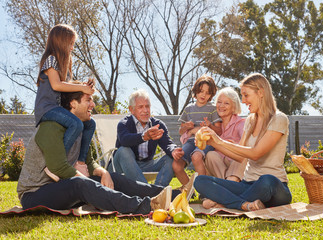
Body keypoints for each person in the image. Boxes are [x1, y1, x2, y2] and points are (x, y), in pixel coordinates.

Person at [17, 86, 197, 214]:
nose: (93, 105)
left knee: (115, 178)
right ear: (72, 103)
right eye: (88, 100)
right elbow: (58, 167)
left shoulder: (81, 128)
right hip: (35, 194)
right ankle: (146, 206)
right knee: (83, 183)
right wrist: (91, 182)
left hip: (63, 188)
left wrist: (103, 173)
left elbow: (89, 162)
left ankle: (174, 195)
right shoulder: (52, 126)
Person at [194, 73, 292, 211]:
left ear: (261, 93)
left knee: (266, 180)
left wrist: (220, 141)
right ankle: (244, 204)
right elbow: (240, 156)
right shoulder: (250, 121)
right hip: (247, 184)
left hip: (274, 187)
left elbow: (256, 154)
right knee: (200, 181)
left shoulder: (278, 119)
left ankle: (225, 203)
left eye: (246, 95)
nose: (244, 101)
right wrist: (212, 143)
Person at [34, 24, 95, 177]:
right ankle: (57, 165)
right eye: (71, 43)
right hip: (47, 108)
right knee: (75, 123)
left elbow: (68, 86)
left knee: (90, 124)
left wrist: (82, 85)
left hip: (58, 108)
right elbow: (56, 85)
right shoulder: (51, 60)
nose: (72, 48)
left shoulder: (64, 64)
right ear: (61, 42)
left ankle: (80, 162)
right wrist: (82, 89)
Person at [111, 89, 185, 187]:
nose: (145, 110)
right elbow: (124, 140)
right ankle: (149, 192)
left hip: (147, 165)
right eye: (140, 107)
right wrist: (144, 137)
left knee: (170, 157)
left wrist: (173, 150)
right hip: (123, 165)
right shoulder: (124, 123)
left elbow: (167, 143)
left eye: (147, 106)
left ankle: (158, 191)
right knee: (124, 150)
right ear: (131, 109)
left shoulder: (158, 124)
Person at [173, 74, 222, 186]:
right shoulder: (188, 109)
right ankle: (189, 191)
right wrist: (186, 127)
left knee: (196, 156)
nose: (203, 95)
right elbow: (181, 131)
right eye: (201, 91)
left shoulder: (213, 109)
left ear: (211, 94)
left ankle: (203, 191)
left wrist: (210, 126)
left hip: (207, 141)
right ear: (196, 91)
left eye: (207, 92)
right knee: (176, 165)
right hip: (190, 141)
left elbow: (219, 131)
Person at [205, 87, 246, 182]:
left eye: (226, 103)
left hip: (236, 165)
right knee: (210, 155)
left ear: (234, 107)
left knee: (241, 156)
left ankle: (228, 185)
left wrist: (232, 144)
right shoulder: (214, 125)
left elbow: (246, 145)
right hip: (220, 167)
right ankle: (228, 185)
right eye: (219, 102)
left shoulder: (240, 123)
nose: (221, 106)